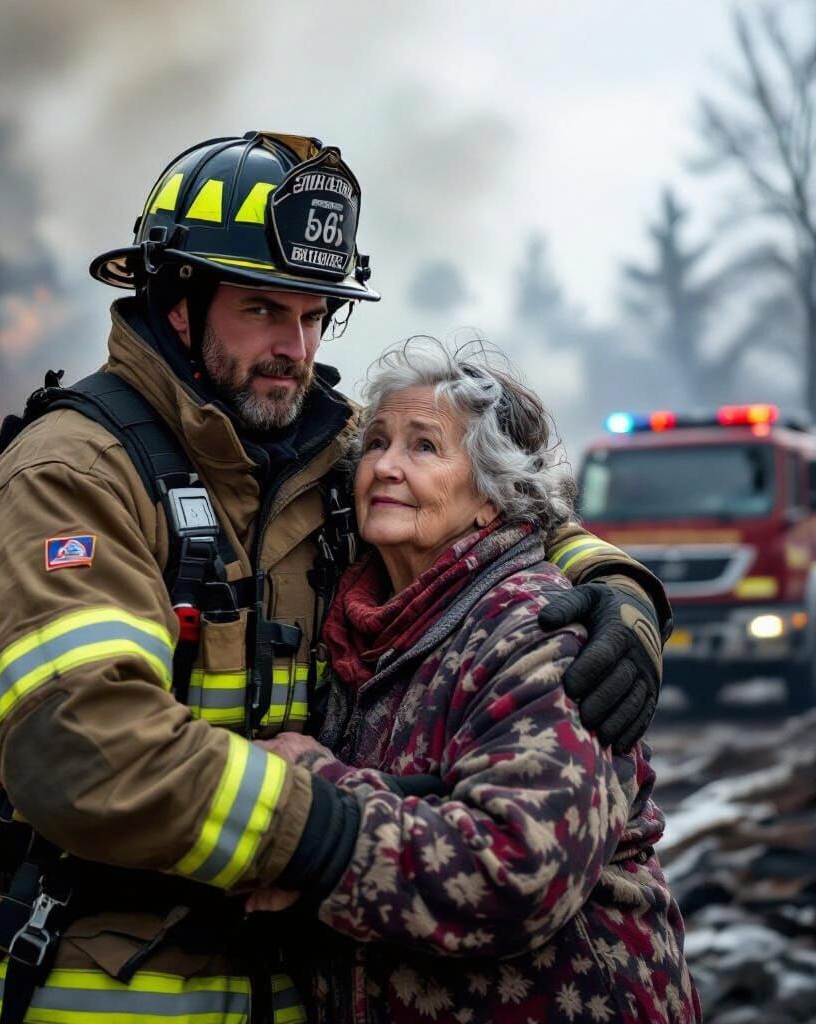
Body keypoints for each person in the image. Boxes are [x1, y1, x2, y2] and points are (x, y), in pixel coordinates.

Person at [0, 132, 672, 1023]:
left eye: (316, 313)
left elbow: (481, 498)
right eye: (261, 308)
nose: (297, 344)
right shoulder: (74, 478)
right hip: (111, 993)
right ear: (175, 302)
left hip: (290, 986)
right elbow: (83, 748)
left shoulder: (315, 448)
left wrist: (617, 582)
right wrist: (319, 832)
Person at [254, 338, 700, 1024]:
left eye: (424, 447)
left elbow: (523, 867)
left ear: (492, 497)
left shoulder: (533, 628)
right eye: (376, 444)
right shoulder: (358, 629)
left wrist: (310, 809)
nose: (386, 467)